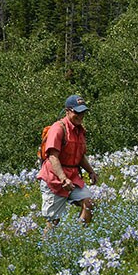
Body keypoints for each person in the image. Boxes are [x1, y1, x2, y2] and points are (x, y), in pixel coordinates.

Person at [38, 94, 99, 230]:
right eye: (77, 112)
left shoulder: (79, 130)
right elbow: (53, 157)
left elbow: (80, 156)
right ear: (67, 111)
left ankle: (79, 235)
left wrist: (91, 171)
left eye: (83, 112)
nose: (81, 115)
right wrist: (63, 179)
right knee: (53, 221)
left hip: (72, 178)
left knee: (89, 204)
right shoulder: (58, 128)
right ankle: (46, 249)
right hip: (54, 179)